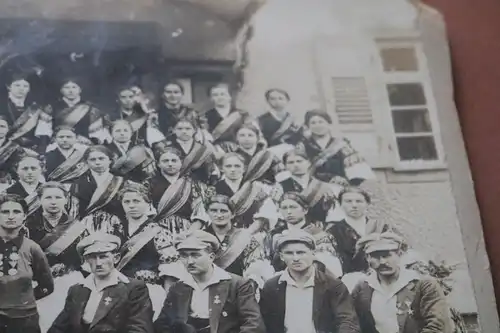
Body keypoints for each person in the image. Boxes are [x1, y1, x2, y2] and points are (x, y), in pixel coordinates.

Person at [154, 230, 265, 333]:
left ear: (211, 257)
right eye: (184, 256)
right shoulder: (178, 288)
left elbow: (253, 324)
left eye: (195, 255)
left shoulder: (237, 285)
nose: (190, 261)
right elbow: (163, 325)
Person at [48, 233, 154, 333]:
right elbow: (58, 328)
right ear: (86, 260)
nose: (98, 263)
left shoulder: (134, 289)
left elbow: (140, 329)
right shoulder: (77, 290)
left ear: (116, 258)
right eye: (93, 257)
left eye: (103, 256)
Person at [259, 230, 360, 333]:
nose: (296, 258)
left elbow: (347, 321)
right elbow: (264, 323)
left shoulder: (333, 286)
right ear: (281, 256)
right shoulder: (272, 287)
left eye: (301, 252)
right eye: (289, 253)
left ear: (313, 253)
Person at [351, 232, 452, 333]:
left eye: (387, 255)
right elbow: (351, 322)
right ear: (368, 258)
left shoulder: (424, 285)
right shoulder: (363, 288)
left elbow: (437, 326)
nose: (382, 262)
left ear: (399, 254)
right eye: (376, 256)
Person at [113, 183, 186, 316]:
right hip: (119, 291)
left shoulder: (158, 232)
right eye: (127, 201)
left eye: (136, 201)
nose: (131, 205)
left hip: (149, 291)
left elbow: (171, 270)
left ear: (147, 203)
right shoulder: (116, 230)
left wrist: (168, 301)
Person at [27, 182, 88, 332]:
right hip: (38, 283)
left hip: (70, 281)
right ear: (40, 200)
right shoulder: (28, 226)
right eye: (48, 197)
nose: (53, 202)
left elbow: (85, 258)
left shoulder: (78, 227)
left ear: (66, 200)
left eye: (58, 197)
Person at [0, 194, 54, 333]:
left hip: (24, 320)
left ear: (24, 216)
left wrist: (23, 302)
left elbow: (47, 285)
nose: (11, 216)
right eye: (5, 212)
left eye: (16, 212)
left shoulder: (32, 248)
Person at [204, 194, 274, 288]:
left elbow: (255, 265)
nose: (219, 215)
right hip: (207, 287)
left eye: (224, 211)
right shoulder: (199, 237)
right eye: (214, 211)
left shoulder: (244, 236)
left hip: (238, 288)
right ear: (207, 212)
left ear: (232, 214)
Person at [267, 192, 342, 276]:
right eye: (284, 208)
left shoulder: (318, 233)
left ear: (305, 210)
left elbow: (330, 266)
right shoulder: (275, 234)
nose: (289, 212)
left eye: (293, 207)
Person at [296, 109, 375, 185]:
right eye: (313, 123)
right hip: (312, 187)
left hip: (339, 185)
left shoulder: (341, 144)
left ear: (328, 124)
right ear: (308, 126)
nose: (318, 125)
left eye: (321, 122)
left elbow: (357, 172)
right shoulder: (303, 145)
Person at [326, 187, 392, 276]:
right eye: (348, 201)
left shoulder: (381, 227)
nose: (354, 205)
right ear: (340, 204)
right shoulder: (333, 231)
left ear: (367, 204)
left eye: (359, 201)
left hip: (382, 275)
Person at [149, 145, 210, 234]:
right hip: (157, 231)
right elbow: (146, 213)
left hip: (187, 230)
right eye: (165, 161)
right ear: (158, 164)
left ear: (181, 162)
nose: (170, 164)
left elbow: (200, 214)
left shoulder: (192, 184)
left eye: (174, 160)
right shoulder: (150, 184)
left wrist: (188, 234)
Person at [213, 152, 279, 230]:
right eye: (228, 166)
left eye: (237, 166)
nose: (233, 170)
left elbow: (267, 213)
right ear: (221, 168)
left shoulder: (256, 188)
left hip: (253, 231)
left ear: (244, 168)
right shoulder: (215, 189)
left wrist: (247, 233)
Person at [273, 147, 337, 224]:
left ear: (308, 163)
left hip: (319, 230)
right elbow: (277, 212)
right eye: (291, 162)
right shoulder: (280, 186)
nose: (296, 165)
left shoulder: (323, 186)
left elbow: (331, 212)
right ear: (285, 166)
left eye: (299, 161)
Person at [219, 123, 285, 185]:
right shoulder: (232, 157)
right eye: (242, 135)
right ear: (236, 138)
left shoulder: (268, 156)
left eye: (250, 135)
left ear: (257, 138)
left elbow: (282, 176)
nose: (246, 139)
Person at [72, 145, 127, 221]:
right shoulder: (78, 183)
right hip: (86, 224)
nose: (97, 162)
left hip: (116, 224)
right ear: (86, 162)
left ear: (110, 160)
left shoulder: (121, 182)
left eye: (101, 158)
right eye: (92, 159)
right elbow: (74, 210)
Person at [0, 74, 51, 153]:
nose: (21, 89)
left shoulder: (36, 109)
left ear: (29, 89)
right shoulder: (2, 105)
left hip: (29, 149)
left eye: (25, 86)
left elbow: (42, 134)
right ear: (8, 87)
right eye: (17, 85)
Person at [51, 78, 111, 145]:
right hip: (59, 143)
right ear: (61, 90)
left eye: (74, 87)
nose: (71, 91)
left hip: (84, 143)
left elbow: (96, 135)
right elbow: (46, 133)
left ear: (80, 90)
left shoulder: (91, 108)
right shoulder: (52, 108)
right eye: (66, 87)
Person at [165, 117, 217, 184]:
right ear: (174, 130)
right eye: (180, 129)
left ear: (194, 130)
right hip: (173, 187)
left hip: (199, 188)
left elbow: (211, 172)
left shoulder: (203, 150)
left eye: (188, 128)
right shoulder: (167, 149)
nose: (184, 131)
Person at [257, 88, 303, 155]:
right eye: (273, 99)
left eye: (280, 98)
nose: (277, 101)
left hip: (292, 154)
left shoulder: (294, 119)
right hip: (270, 153)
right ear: (267, 101)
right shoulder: (261, 120)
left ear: (287, 100)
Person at [0, 116, 26, 189]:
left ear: (8, 129)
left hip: (5, 183)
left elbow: (16, 168)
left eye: (2, 126)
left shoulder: (15, 147)